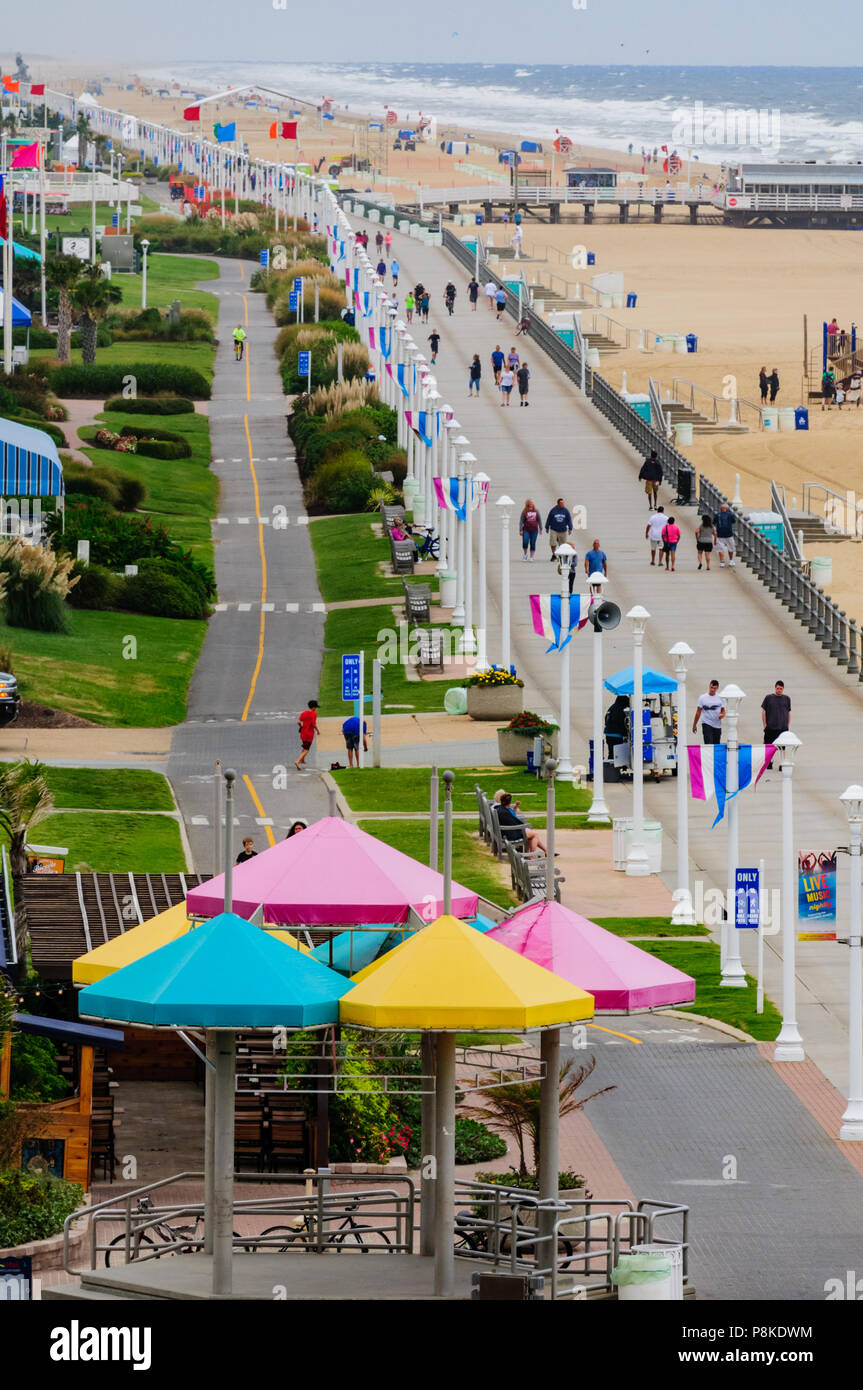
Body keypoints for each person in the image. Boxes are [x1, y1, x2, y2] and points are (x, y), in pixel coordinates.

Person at [761, 680, 791, 768]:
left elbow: (788, 712)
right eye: (777, 688)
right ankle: (769, 762)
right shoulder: (769, 698)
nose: (779, 690)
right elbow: (764, 711)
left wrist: (788, 725)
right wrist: (765, 725)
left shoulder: (787, 699)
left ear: (783, 689)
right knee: (769, 745)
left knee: (782, 747)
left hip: (782, 727)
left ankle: (782, 763)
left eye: (781, 689)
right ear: (775, 688)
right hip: (770, 727)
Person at [692, 679, 725, 744]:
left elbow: (723, 711)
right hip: (706, 723)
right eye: (711, 687)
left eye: (714, 688)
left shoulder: (720, 698)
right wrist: (694, 725)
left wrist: (722, 715)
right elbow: (698, 712)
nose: (712, 690)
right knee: (708, 742)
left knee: (716, 744)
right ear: (709, 686)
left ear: (717, 688)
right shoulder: (702, 698)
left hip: (717, 725)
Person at [295, 698, 319, 770]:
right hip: (309, 734)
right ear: (314, 707)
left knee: (305, 746)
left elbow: (299, 722)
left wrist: (301, 727)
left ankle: (302, 760)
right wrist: (318, 730)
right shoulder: (314, 714)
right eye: (316, 707)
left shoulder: (304, 713)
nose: (316, 709)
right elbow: (313, 724)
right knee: (306, 749)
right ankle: (298, 761)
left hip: (303, 733)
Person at [713, 502, 736, 568]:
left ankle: (722, 562)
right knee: (731, 547)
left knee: (720, 549)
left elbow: (714, 522)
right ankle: (731, 560)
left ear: (721, 509)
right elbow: (733, 522)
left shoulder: (717, 515)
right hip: (729, 534)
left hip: (720, 534)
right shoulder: (730, 515)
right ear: (726, 508)